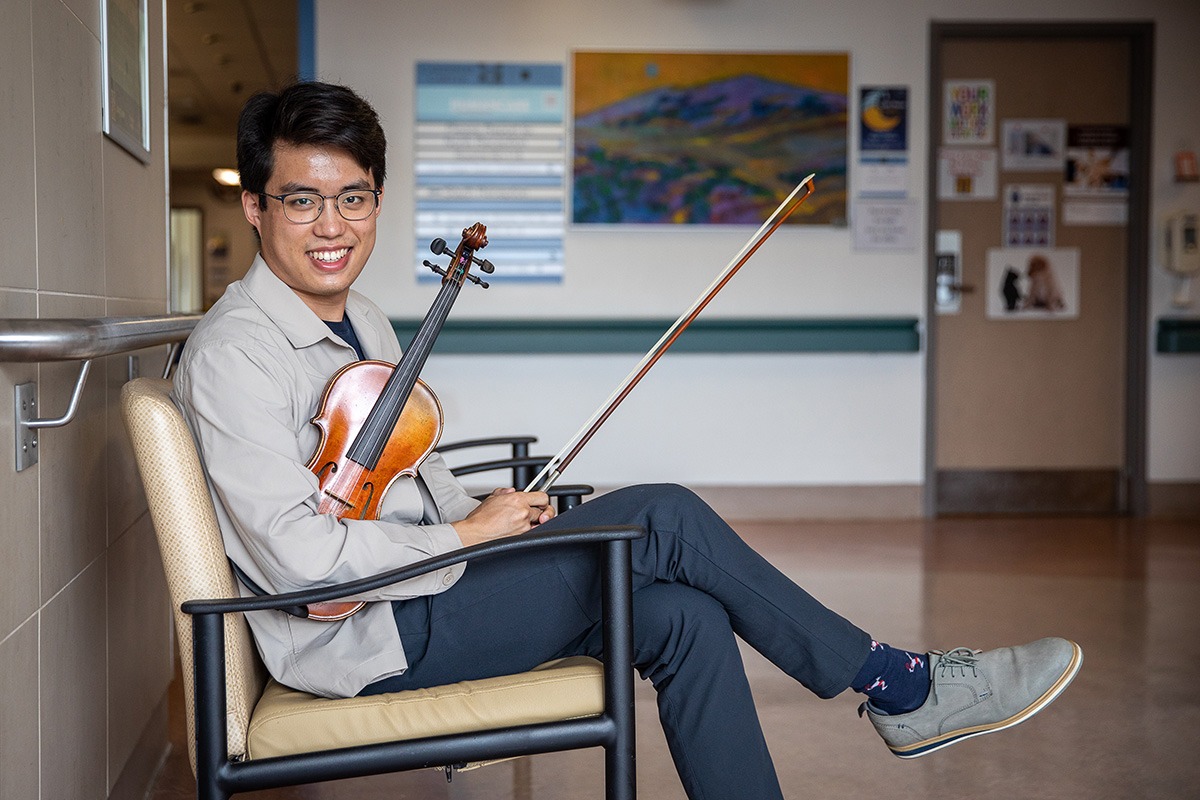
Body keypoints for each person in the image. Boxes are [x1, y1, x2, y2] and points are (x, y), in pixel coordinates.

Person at [172, 81, 1082, 799]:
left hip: (420, 587)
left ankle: (885, 698)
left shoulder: (363, 317)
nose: (332, 227)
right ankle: (903, 685)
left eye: (354, 198)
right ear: (255, 206)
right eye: (302, 200)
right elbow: (299, 562)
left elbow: (406, 474)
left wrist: (493, 519)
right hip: (365, 635)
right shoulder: (231, 356)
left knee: (683, 617)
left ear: (376, 201)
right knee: (667, 516)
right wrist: (466, 537)